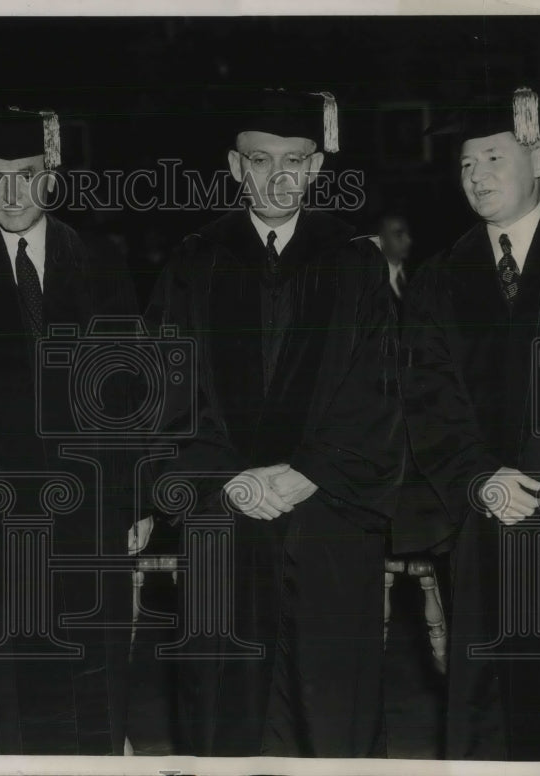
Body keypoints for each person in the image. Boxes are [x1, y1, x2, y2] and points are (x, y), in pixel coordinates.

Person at [145, 89, 404, 757]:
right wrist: (226, 480)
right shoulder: (192, 262)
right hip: (223, 517)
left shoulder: (356, 262)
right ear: (236, 167)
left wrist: (307, 471)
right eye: (261, 160)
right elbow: (168, 390)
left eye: (295, 161)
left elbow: (379, 388)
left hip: (327, 515)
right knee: (220, 702)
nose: (278, 176)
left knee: (331, 700)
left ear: (317, 168)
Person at [0, 107, 143, 755]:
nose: (11, 194)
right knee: (6, 688)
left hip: (89, 516)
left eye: (26, 176)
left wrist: (135, 500)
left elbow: (133, 394)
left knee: (90, 683)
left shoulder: (101, 264)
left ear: (50, 178)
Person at [400, 87, 540, 760]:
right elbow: (427, 397)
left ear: (536, 156)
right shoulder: (441, 277)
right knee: (487, 714)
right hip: (483, 525)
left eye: (494, 158)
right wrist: (482, 479)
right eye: (466, 164)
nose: (476, 176)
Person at [373, 210, 412, 298]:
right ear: (380, 239)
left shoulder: (418, 273)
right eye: (399, 235)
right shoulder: (370, 284)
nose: (408, 240)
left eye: (408, 234)